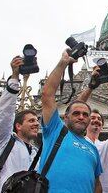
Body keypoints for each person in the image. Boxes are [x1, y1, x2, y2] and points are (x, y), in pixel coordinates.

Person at [40, 50, 102, 192]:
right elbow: (47, 94)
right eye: (76, 113)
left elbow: (97, 184)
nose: (81, 117)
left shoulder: (93, 148)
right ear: (65, 117)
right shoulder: (55, 131)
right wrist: (63, 63)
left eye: (85, 115)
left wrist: (91, 87)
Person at [0, 56, 40, 193]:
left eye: (37, 120)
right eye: (31, 120)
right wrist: (15, 79)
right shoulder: (3, 141)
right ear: (18, 126)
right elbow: (4, 114)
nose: (36, 124)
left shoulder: (36, 153)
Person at [77, 69, 108, 193]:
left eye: (99, 119)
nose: (96, 120)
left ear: (102, 126)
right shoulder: (76, 142)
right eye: (92, 118)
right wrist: (91, 86)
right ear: (84, 122)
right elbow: (74, 109)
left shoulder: (105, 145)